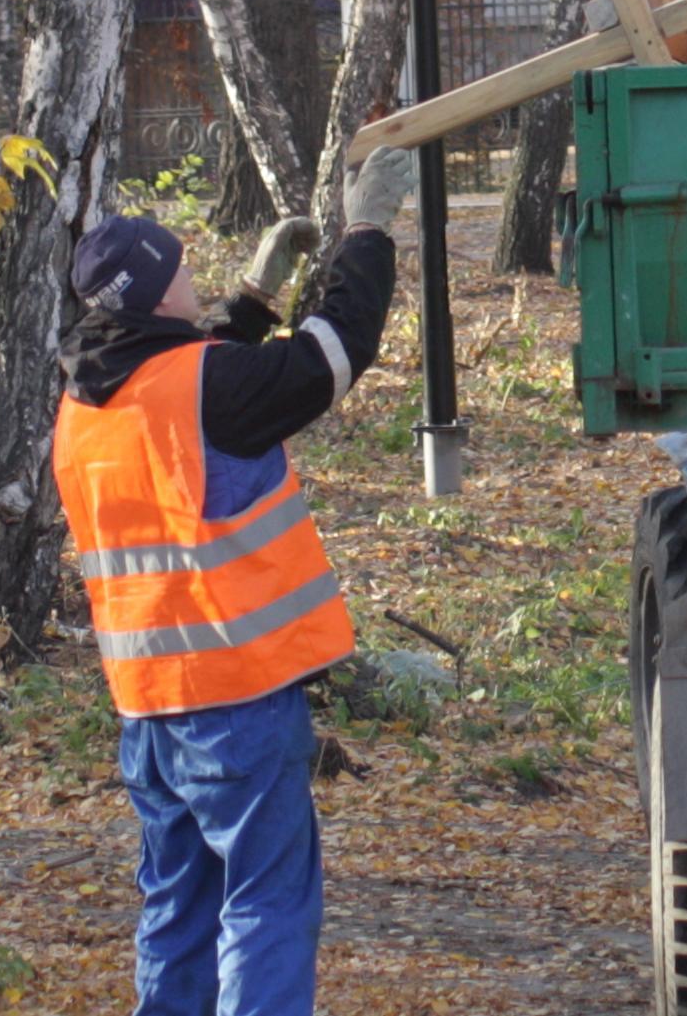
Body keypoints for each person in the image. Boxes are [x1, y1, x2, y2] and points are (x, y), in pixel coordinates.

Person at [51, 146, 420, 1016]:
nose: (192, 281)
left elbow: (187, 379)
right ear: (155, 296)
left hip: (148, 710)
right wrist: (367, 232)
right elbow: (331, 355)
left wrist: (253, 300)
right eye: (180, 273)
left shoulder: (85, 402)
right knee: (265, 903)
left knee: (178, 907)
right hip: (235, 700)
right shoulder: (204, 387)